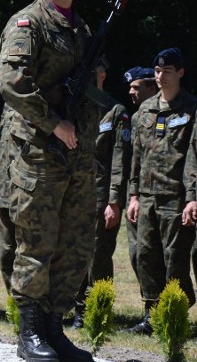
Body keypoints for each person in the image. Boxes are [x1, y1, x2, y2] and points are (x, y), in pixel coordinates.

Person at [0, 0, 97, 362]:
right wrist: (54, 122)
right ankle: (30, 334)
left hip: (75, 156)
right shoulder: (28, 23)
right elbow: (10, 81)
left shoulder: (82, 28)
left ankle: (55, 329)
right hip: (38, 153)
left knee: (74, 246)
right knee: (37, 243)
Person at [126, 47, 197, 334]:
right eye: (157, 71)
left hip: (175, 197)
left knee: (175, 259)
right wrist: (133, 195)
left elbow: (193, 156)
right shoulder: (145, 109)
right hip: (147, 196)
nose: (160, 76)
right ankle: (151, 315)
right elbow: (137, 155)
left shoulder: (191, 108)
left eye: (167, 71)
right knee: (145, 256)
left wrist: (192, 197)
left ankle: (176, 311)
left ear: (180, 72)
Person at [72, 57, 131, 329]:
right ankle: (80, 310)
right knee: (75, 256)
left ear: (103, 75)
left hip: (101, 197)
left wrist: (114, 201)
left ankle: (99, 311)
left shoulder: (115, 111)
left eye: (94, 73)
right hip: (75, 195)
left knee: (98, 256)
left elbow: (120, 159)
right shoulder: (76, 107)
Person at [111, 66, 157, 310]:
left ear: (153, 87)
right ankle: (150, 311)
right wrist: (132, 196)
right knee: (137, 254)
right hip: (137, 196)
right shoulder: (137, 118)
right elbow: (132, 162)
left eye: (136, 87)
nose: (131, 92)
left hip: (166, 197)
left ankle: (169, 312)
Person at [0, 104, 18, 293]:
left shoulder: (39, 101)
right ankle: (14, 304)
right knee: (6, 255)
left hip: (32, 197)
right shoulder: (7, 107)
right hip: (5, 196)